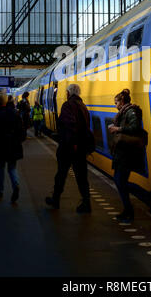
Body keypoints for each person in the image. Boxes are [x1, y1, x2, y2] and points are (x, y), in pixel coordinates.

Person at [45, 84, 93, 213]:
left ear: (68, 93)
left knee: (61, 174)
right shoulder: (83, 106)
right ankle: (86, 203)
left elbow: (70, 126)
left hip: (69, 147)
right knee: (82, 177)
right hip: (81, 147)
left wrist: (72, 144)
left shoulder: (68, 106)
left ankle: (56, 200)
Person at [109, 89, 144, 223]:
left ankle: (131, 209)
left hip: (127, 153)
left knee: (120, 181)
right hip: (121, 152)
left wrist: (118, 129)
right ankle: (127, 210)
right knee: (119, 180)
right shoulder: (123, 113)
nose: (115, 105)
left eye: (116, 102)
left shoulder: (131, 111)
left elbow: (135, 128)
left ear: (122, 101)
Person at [0, 94, 24, 203]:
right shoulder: (15, 113)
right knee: (12, 168)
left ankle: (0, 191)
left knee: (0, 167)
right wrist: (18, 141)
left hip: (0, 145)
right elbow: (22, 131)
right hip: (13, 145)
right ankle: (16, 185)